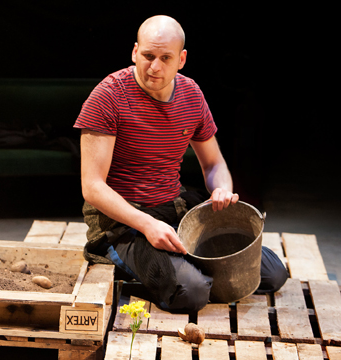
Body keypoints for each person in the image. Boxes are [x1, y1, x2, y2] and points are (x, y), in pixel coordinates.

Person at [74, 15, 287, 312]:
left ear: (182, 59)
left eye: (165, 58)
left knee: (273, 273)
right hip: (124, 223)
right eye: (148, 56)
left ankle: (181, 271)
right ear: (135, 52)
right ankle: (139, 271)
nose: (155, 66)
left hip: (175, 209)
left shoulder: (191, 94)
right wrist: (148, 225)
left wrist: (222, 190)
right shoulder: (108, 97)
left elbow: (213, 165)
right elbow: (92, 187)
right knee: (192, 293)